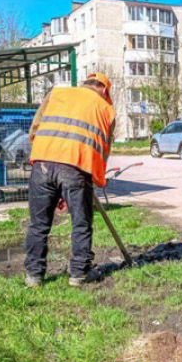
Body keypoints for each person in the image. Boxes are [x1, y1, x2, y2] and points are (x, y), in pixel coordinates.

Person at [24, 72, 116, 288]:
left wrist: (41, 158)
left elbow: (34, 129)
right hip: (76, 167)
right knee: (81, 224)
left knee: (38, 225)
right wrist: (97, 180)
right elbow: (103, 151)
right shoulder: (106, 110)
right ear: (104, 89)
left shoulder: (56, 94)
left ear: (86, 84)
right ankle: (79, 274)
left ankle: (34, 276)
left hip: (43, 163)